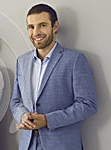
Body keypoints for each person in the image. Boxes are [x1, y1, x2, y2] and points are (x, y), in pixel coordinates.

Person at [10, 3, 98, 150]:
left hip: (62, 145)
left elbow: (88, 104)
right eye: (31, 27)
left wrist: (47, 120)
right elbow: (15, 101)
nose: (36, 32)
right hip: (27, 144)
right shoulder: (21, 61)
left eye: (42, 25)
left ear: (55, 26)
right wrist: (23, 116)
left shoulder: (75, 60)